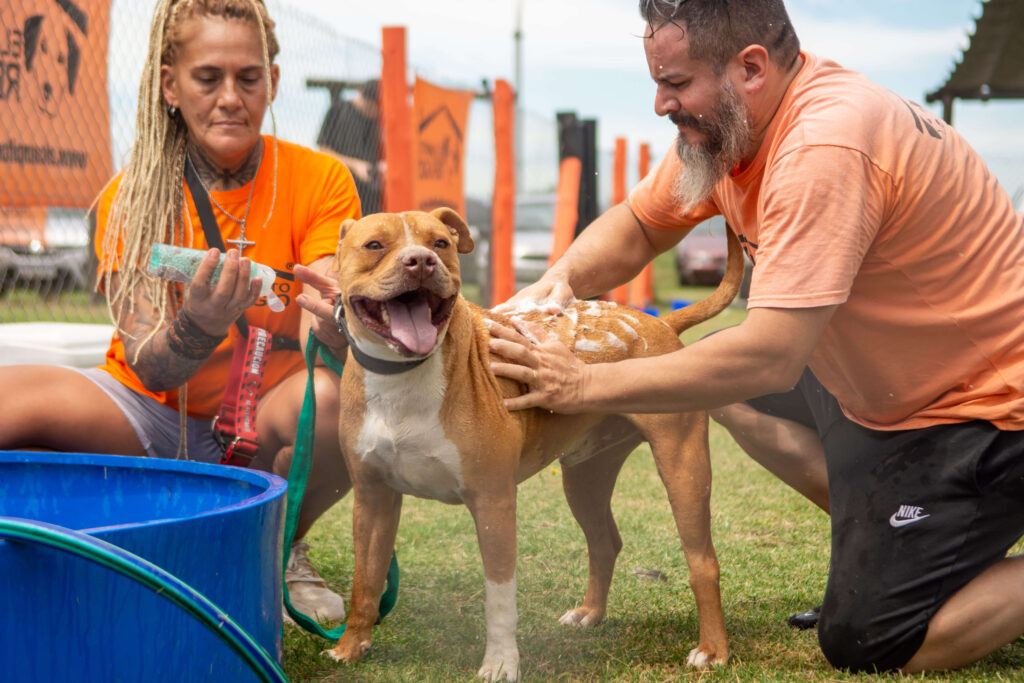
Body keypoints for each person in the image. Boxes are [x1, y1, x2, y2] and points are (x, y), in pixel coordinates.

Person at [485, 0, 1024, 674]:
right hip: (886, 389)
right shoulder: (736, 133)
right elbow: (642, 225)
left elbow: (770, 353)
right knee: (715, 392)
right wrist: (557, 281)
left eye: (676, 83)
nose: (660, 104)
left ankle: (939, 554)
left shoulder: (823, 143)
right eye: (658, 82)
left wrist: (583, 383)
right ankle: (905, 540)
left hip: (988, 410)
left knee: (873, 641)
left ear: (750, 68)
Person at [0, 0, 355, 624]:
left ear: (273, 80)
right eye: (207, 77)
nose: (230, 97)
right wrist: (199, 325)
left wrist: (333, 319)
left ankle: (272, 547)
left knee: (333, 401)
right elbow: (150, 366)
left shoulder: (321, 180)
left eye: (249, 78)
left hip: (268, 416)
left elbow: (320, 310)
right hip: (148, 413)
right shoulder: (132, 194)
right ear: (170, 84)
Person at [317, 79, 384, 215]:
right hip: (341, 190)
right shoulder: (339, 110)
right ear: (360, 94)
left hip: (372, 196)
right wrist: (355, 166)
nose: (372, 113)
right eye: (369, 107)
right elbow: (323, 151)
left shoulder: (377, 121)